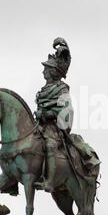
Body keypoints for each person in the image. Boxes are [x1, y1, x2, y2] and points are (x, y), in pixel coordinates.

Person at [34, 38, 73, 192]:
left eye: (46, 68)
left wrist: (46, 113)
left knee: (50, 145)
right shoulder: (43, 90)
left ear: (53, 71)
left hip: (54, 128)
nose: (43, 70)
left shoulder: (62, 88)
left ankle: (49, 181)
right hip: (39, 126)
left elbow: (65, 110)